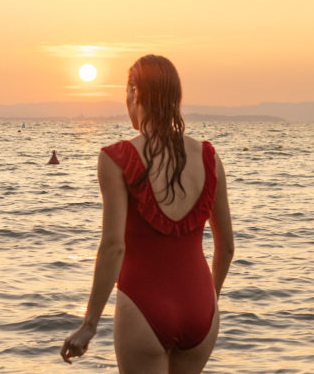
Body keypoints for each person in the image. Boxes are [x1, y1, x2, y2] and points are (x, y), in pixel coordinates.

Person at [60, 55, 234, 372]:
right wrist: (210, 302)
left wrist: (89, 323)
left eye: (127, 92)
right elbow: (227, 248)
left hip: (143, 306)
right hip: (201, 307)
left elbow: (113, 247)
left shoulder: (116, 158)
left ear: (136, 92)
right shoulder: (209, 157)